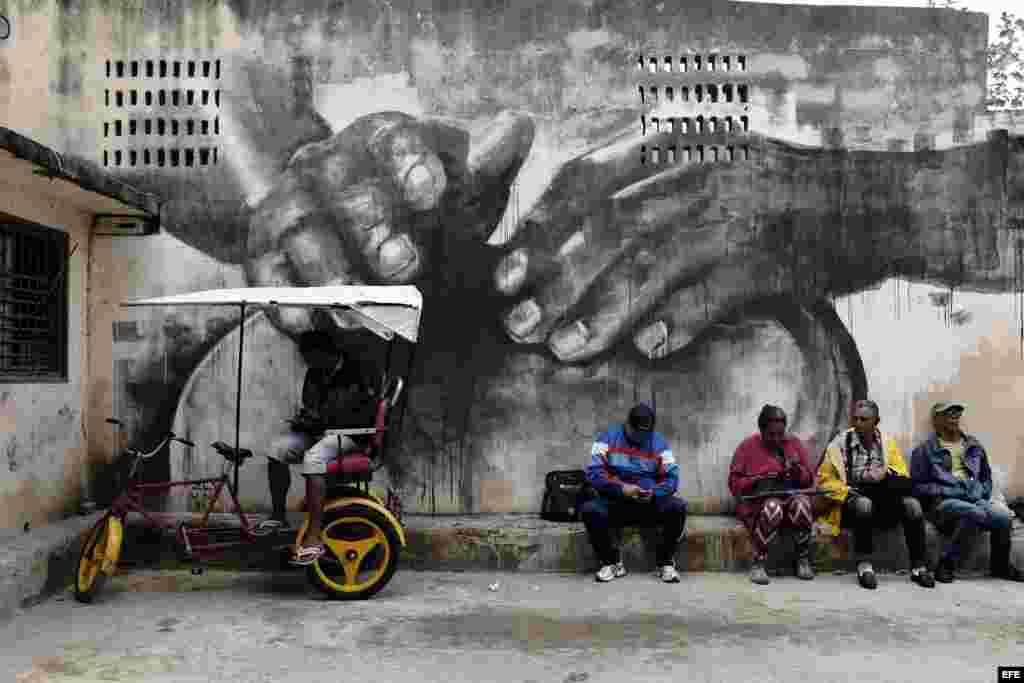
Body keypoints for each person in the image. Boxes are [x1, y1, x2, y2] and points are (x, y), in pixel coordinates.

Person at [256, 329, 377, 566]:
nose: (308, 364)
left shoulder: (356, 372)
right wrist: (307, 420)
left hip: (349, 435)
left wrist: (322, 420)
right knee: (276, 450)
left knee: (314, 459)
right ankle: (278, 515)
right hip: (319, 432)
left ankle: (314, 536)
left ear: (326, 353)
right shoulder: (314, 373)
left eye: (311, 358)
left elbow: (359, 412)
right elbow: (311, 405)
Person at [817, 399, 934, 589]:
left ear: (876, 421)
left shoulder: (887, 444)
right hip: (852, 502)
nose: (857, 423)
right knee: (864, 503)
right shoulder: (839, 444)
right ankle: (865, 566)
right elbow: (824, 481)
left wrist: (882, 476)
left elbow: (902, 475)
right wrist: (850, 489)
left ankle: (918, 567)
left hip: (883, 499)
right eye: (855, 419)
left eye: (864, 419)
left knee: (913, 505)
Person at [910, 401, 1024, 583]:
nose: (954, 416)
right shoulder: (924, 450)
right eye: (948, 413)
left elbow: (986, 477)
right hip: (943, 503)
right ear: (936, 421)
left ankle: (1000, 566)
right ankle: (946, 563)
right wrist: (947, 490)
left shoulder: (973, 445)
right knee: (975, 513)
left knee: (1003, 516)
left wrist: (982, 491)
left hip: (973, 499)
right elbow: (917, 486)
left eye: (956, 413)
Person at [581, 403, 687, 583]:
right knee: (590, 510)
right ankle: (611, 562)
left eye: (646, 435)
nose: (641, 438)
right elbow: (594, 474)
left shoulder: (659, 443)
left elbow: (672, 479)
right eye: (637, 433)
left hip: (648, 504)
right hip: (617, 503)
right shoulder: (607, 438)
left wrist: (653, 492)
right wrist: (621, 488)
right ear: (627, 425)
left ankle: (665, 563)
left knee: (677, 508)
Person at [728, 405, 815, 585]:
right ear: (761, 430)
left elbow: (808, 480)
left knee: (802, 504)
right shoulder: (747, 447)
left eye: (780, 434)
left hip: (789, 500)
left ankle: (802, 559)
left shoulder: (794, 444)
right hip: (759, 505)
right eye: (771, 434)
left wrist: (798, 472)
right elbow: (734, 484)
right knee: (772, 508)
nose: (776, 439)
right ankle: (758, 562)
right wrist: (760, 478)